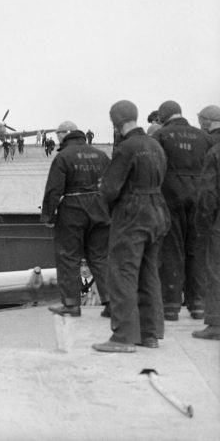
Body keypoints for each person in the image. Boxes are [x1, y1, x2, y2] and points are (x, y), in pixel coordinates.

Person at [93, 100, 169, 353]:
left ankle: (124, 336)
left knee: (122, 273)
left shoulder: (126, 148)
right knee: (149, 273)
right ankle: (150, 334)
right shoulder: (155, 144)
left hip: (133, 213)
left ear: (115, 121)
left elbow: (110, 189)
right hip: (158, 210)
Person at [41, 121, 112, 317]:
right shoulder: (101, 155)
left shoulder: (63, 157)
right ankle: (112, 302)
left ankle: (71, 304)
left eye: (58, 134)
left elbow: (54, 189)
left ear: (65, 134)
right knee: (100, 257)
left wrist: (48, 215)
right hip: (100, 209)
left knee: (68, 257)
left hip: (73, 210)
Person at [151, 100, 213, 321]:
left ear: (162, 117)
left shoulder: (160, 136)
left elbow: (154, 167)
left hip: (170, 197)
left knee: (172, 249)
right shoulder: (204, 137)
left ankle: (171, 305)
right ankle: (198, 305)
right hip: (199, 196)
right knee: (196, 249)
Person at [192, 105, 220, 340]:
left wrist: (202, 223)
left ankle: (216, 324)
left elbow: (208, 195)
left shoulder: (214, 152)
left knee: (216, 269)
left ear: (205, 122)